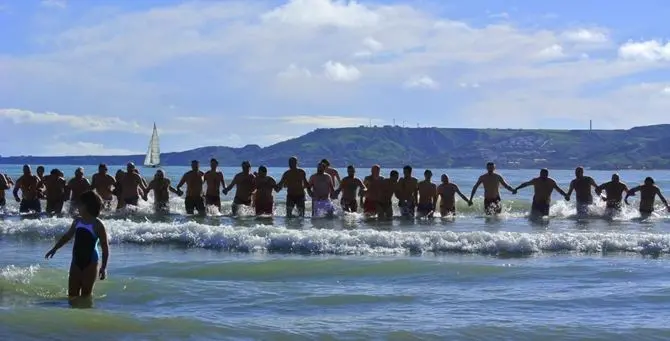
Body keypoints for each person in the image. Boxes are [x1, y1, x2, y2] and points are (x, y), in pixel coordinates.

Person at [44, 191, 109, 307]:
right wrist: (55, 248)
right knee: (72, 295)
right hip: (76, 262)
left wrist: (104, 267)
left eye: (80, 204)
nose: (77, 207)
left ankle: (85, 319)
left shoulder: (98, 224)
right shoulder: (77, 221)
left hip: (91, 262)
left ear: (87, 206)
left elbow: (105, 246)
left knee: (85, 296)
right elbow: (67, 237)